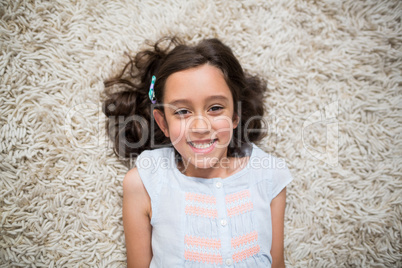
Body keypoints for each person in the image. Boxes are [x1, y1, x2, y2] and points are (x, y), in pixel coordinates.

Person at [102, 37, 293, 268]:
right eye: (182, 111)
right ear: (163, 123)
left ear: (235, 116)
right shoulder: (145, 182)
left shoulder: (269, 176)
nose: (201, 127)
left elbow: (277, 263)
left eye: (215, 108)